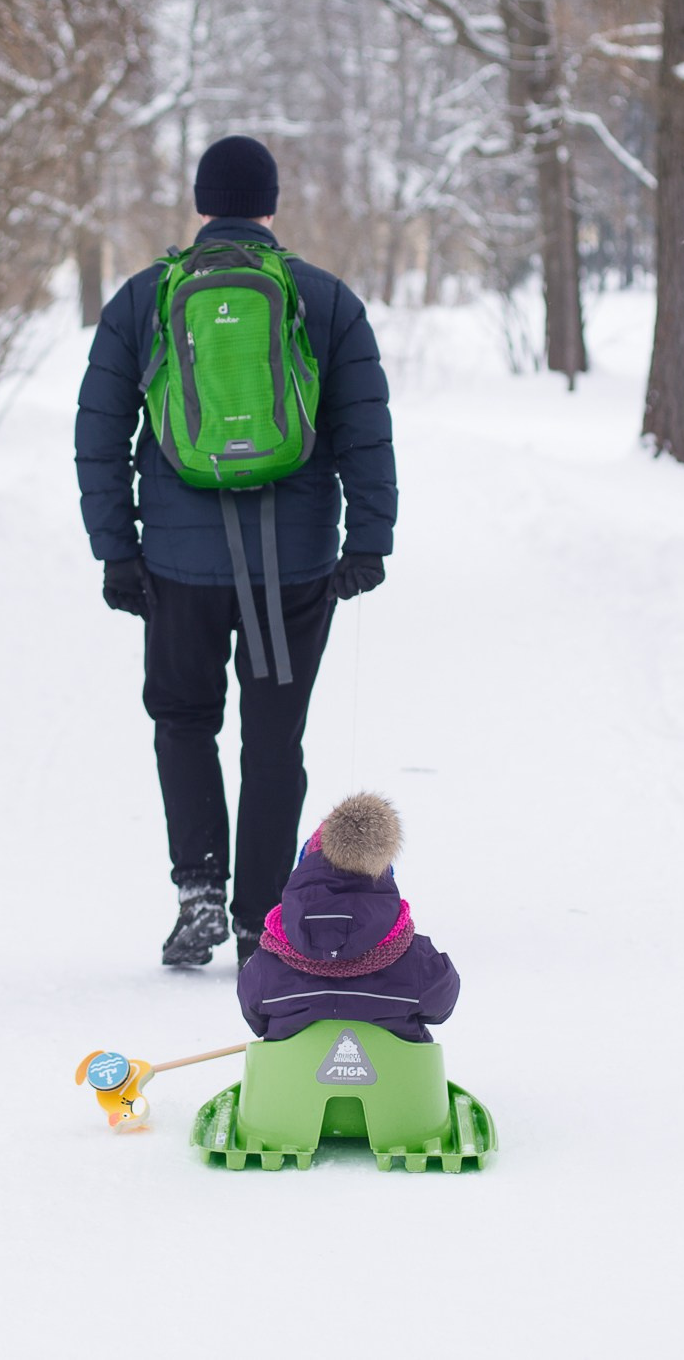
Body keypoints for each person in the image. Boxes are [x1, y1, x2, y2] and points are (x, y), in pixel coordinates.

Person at [75, 135, 397, 968]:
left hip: (178, 568)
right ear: (271, 206)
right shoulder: (324, 302)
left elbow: (100, 433)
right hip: (293, 566)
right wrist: (367, 539)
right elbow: (366, 430)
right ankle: (261, 919)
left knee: (183, 721)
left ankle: (198, 889)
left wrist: (117, 549)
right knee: (273, 737)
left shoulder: (146, 298)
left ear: (200, 203)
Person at [236, 792, 459, 1042]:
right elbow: (442, 1005)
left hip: (294, 1079)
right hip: (394, 1079)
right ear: (383, 880)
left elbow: (254, 1014)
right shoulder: (417, 959)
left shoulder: (268, 964)